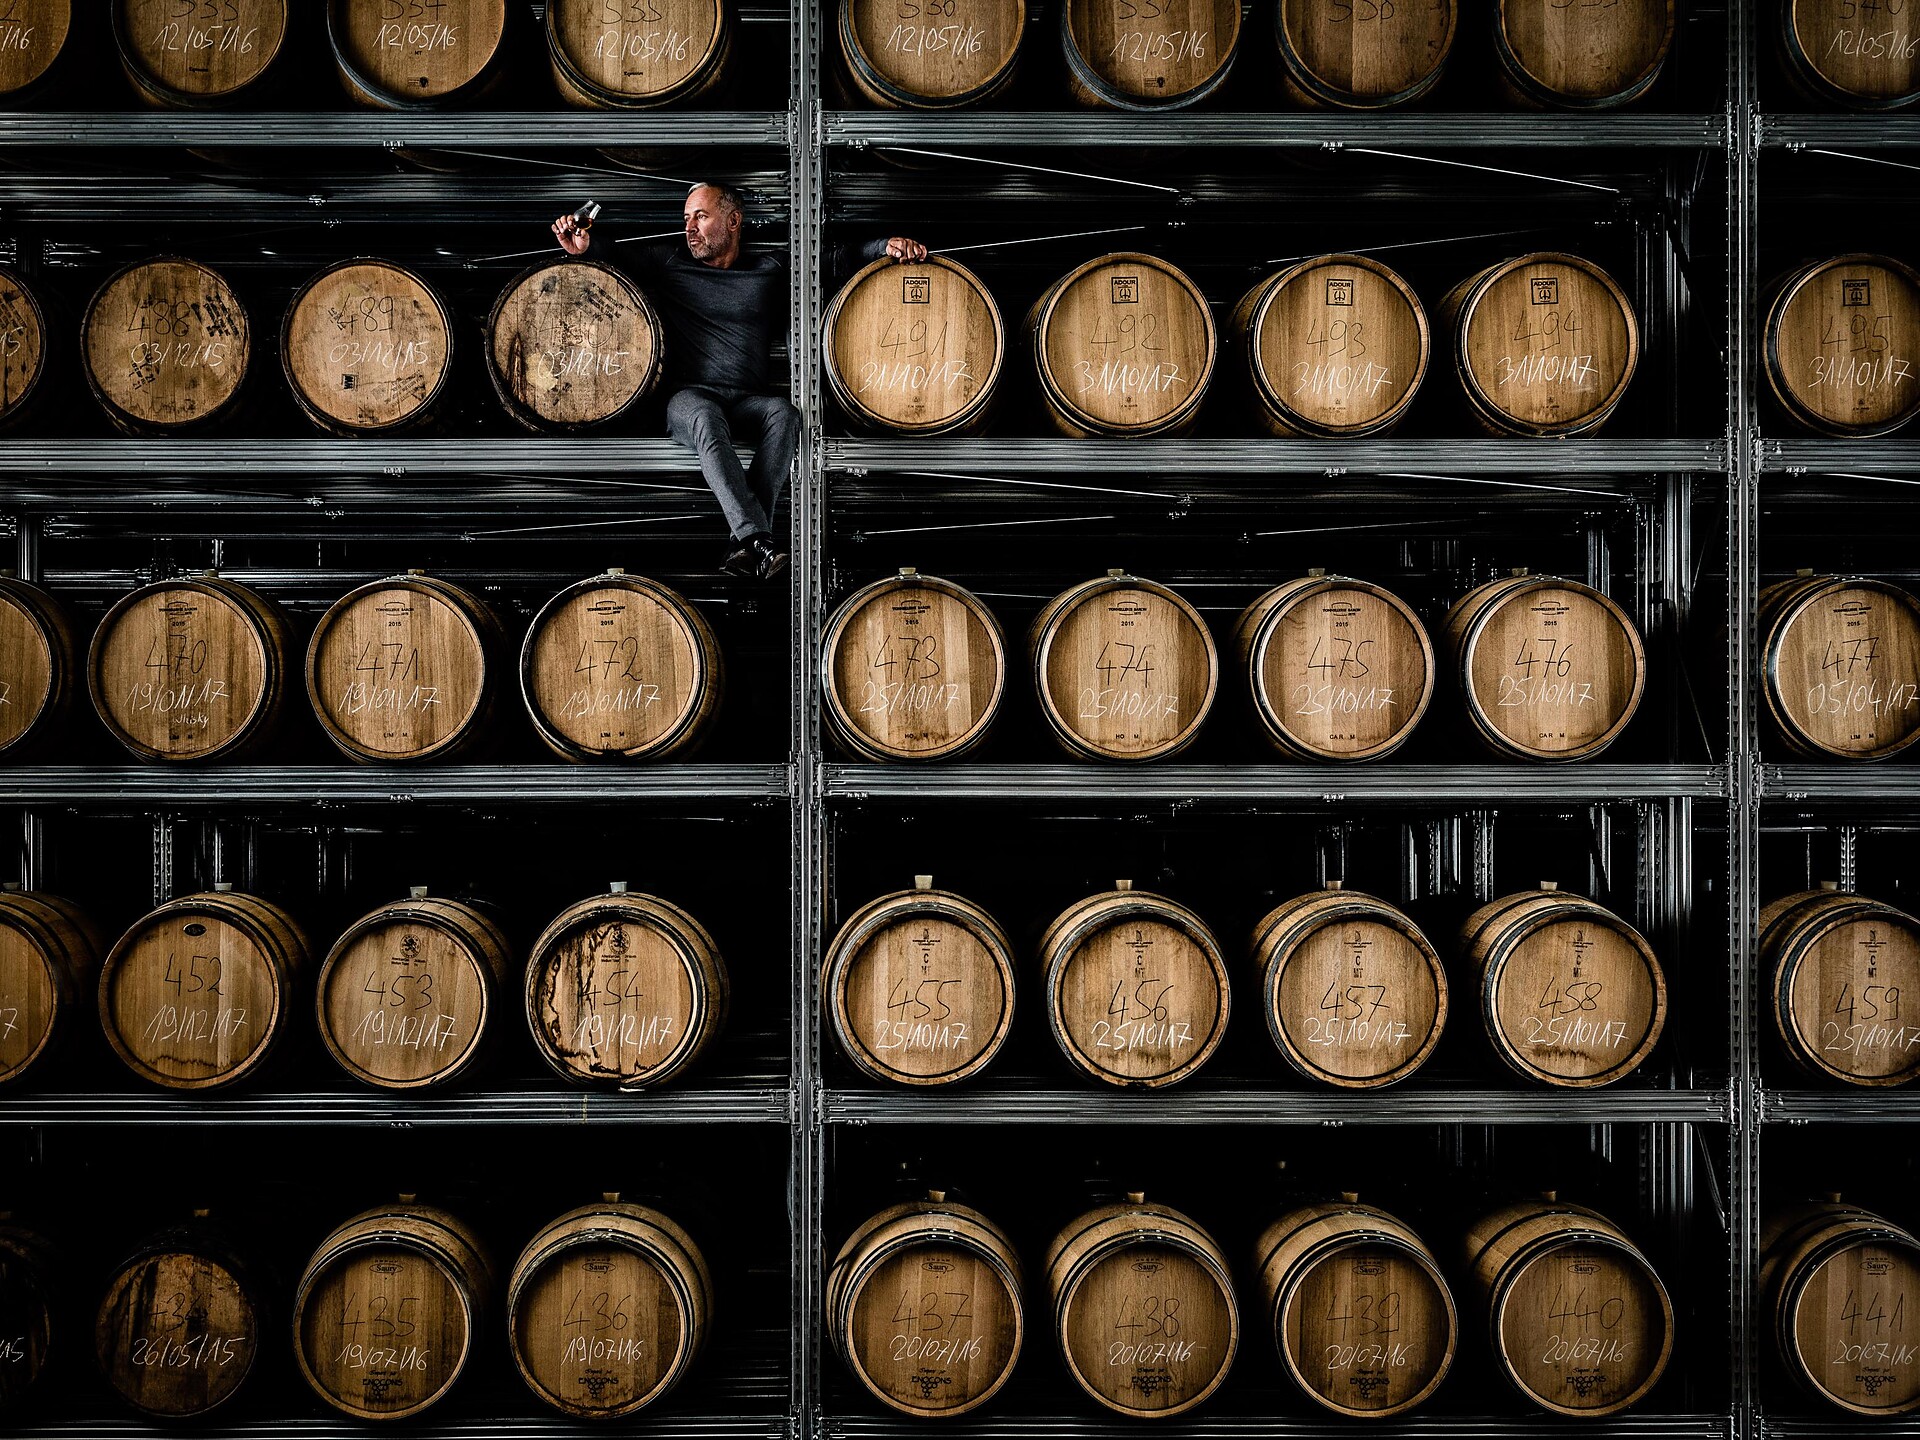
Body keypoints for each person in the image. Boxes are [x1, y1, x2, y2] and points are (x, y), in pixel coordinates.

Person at [553, 184, 927, 580]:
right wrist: (586, 246)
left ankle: (745, 544)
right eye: (686, 219)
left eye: (700, 217)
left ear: (733, 221)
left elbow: (833, 259)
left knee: (784, 414)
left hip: (747, 399)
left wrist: (885, 246)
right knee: (706, 418)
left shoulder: (769, 268)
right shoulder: (670, 263)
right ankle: (759, 540)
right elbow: (617, 257)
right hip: (689, 399)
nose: (689, 227)